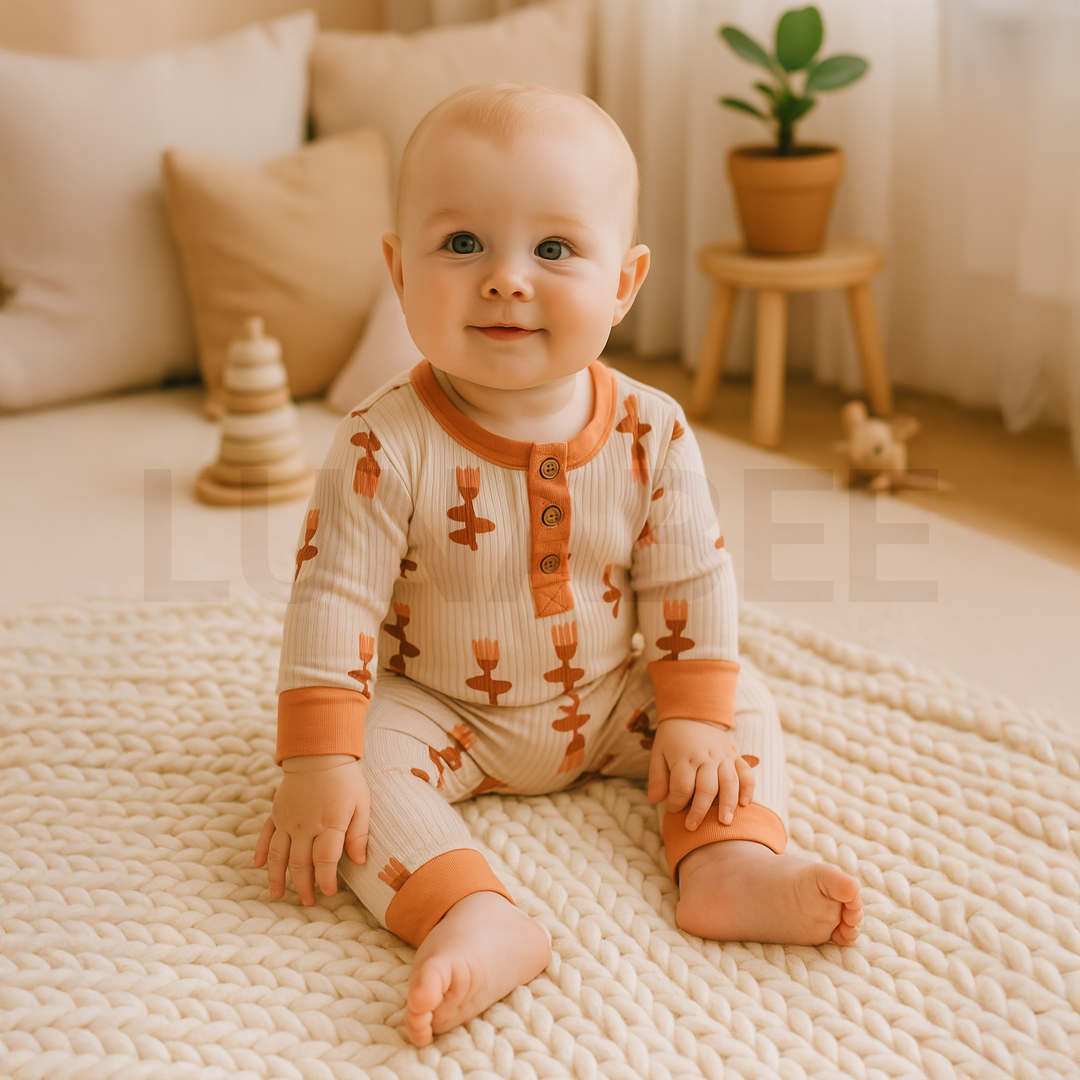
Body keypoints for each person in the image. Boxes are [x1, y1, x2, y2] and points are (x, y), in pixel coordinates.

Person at [254, 83, 862, 1048]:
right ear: (397, 271)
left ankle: (726, 859)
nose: (506, 279)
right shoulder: (383, 445)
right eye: (461, 246)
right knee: (355, 767)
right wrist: (317, 759)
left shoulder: (650, 432)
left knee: (736, 697)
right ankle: (472, 912)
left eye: (553, 249)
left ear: (625, 281)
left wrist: (692, 715)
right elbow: (333, 596)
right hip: (449, 710)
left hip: (618, 698)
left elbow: (691, 583)